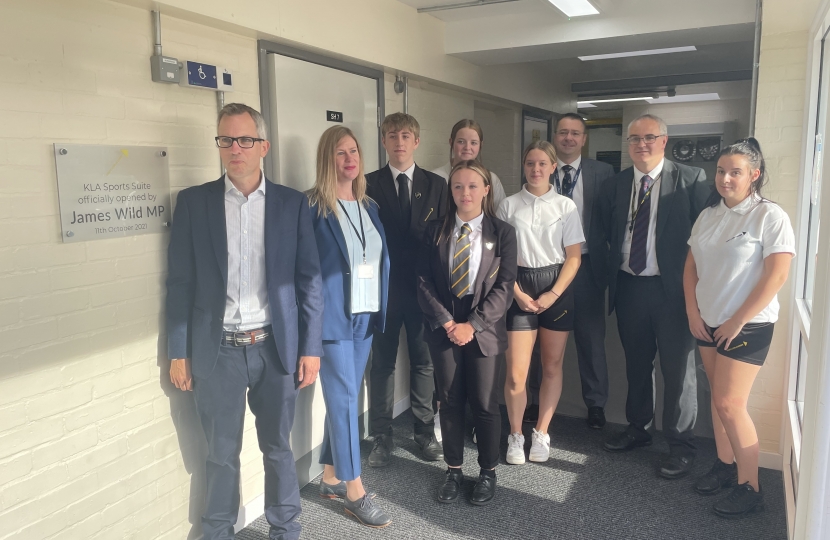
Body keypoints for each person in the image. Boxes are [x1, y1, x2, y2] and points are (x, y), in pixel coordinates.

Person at [166, 103, 323, 540]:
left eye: (245, 140)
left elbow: (309, 281)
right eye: (225, 140)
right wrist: (178, 350)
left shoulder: (292, 205)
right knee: (219, 454)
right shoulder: (194, 204)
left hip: (275, 350)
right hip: (217, 354)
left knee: (277, 449)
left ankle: (285, 529)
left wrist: (311, 347)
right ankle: (218, 531)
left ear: (263, 146)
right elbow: (179, 283)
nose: (235, 148)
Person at [684, 138, 794, 518]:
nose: (726, 178)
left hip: (748, 325)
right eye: (721, 171)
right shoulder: (708, 215)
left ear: (754, 175)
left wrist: (738, 319)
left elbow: (777, 274)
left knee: (731, 404)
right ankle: (725, 465)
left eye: (735, 172)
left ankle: (751, 487)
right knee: (718, 398)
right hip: (709, 321)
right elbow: (690, 267)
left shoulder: (769, 215)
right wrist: (693, 313)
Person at [599, 113, 710, 480]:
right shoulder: (615, 184)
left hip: (674, 293)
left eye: (649, 137)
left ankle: (680, 445)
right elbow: (605, 235)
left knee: (679, 372)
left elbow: (705, 241)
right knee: (637, 365)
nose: (641, 144)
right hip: (630, 287)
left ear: (664, 140)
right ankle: (638, 429)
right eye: (634, 139)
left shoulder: (691, 180)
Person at [417, 160, 517, 505]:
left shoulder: (502, 233)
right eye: (458, 186)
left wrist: (471, 325)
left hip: (483, 332)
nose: (465, 193)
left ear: (486, 190)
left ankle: (488, 472)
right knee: (450, 401)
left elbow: (504, 288)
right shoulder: (434, 230)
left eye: (473, 186)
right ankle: (454, 470)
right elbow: (423, 282)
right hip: (444, 331)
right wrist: (449, 323)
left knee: (486, 404)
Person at [308, 126, 392, 528]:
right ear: (328, 159)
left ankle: (328, 476)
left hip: (366, 316)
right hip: (333, 320)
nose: (350, 159)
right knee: (343, 401)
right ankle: (354, 490)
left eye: (354, 151)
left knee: (346, 398)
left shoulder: (368, 206)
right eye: (341, 153)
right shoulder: (313, 208)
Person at [365, 112, 446, 467]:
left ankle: (424, 432)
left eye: (406, 136)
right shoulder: (365, 185)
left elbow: (443, 242)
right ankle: (381, 437)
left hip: (423, 291)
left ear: (416, 141)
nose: (399, 142)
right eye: (392, 135)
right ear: (383, 141)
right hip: (381, 291)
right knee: (381, 364)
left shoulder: (437, 185)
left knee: (423, 363)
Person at [497, 141, 584, 465]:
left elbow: (574, 258)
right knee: (517, 373)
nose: (536, 169)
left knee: (551, 366)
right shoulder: (508, 205)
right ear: (524, 166)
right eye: (530, 163)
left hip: (555, 287)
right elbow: (500, 258)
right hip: (517, 285)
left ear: (552, 167)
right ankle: (516, 435)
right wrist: (516, 292)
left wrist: (553, 294)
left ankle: (542, 433)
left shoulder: (565, 207)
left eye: (542, 164)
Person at [551, 113, 616, 429]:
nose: (568, 138)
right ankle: (538, 398)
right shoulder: (542, 167)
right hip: (548, 266)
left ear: (584, 138)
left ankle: (596, 404)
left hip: (588, 265)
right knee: (544, 336)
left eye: (575, 133)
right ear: (555, 136)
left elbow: (611, 220)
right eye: (563, 132)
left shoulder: (602, 172)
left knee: (591, 338)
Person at [432, 119, 507, 208]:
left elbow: (499, 216)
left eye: (473, 143)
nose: (467, 147)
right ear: (451, 142)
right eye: (461, 142)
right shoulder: (434, 178)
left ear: (481, 145)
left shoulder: (492, 180)